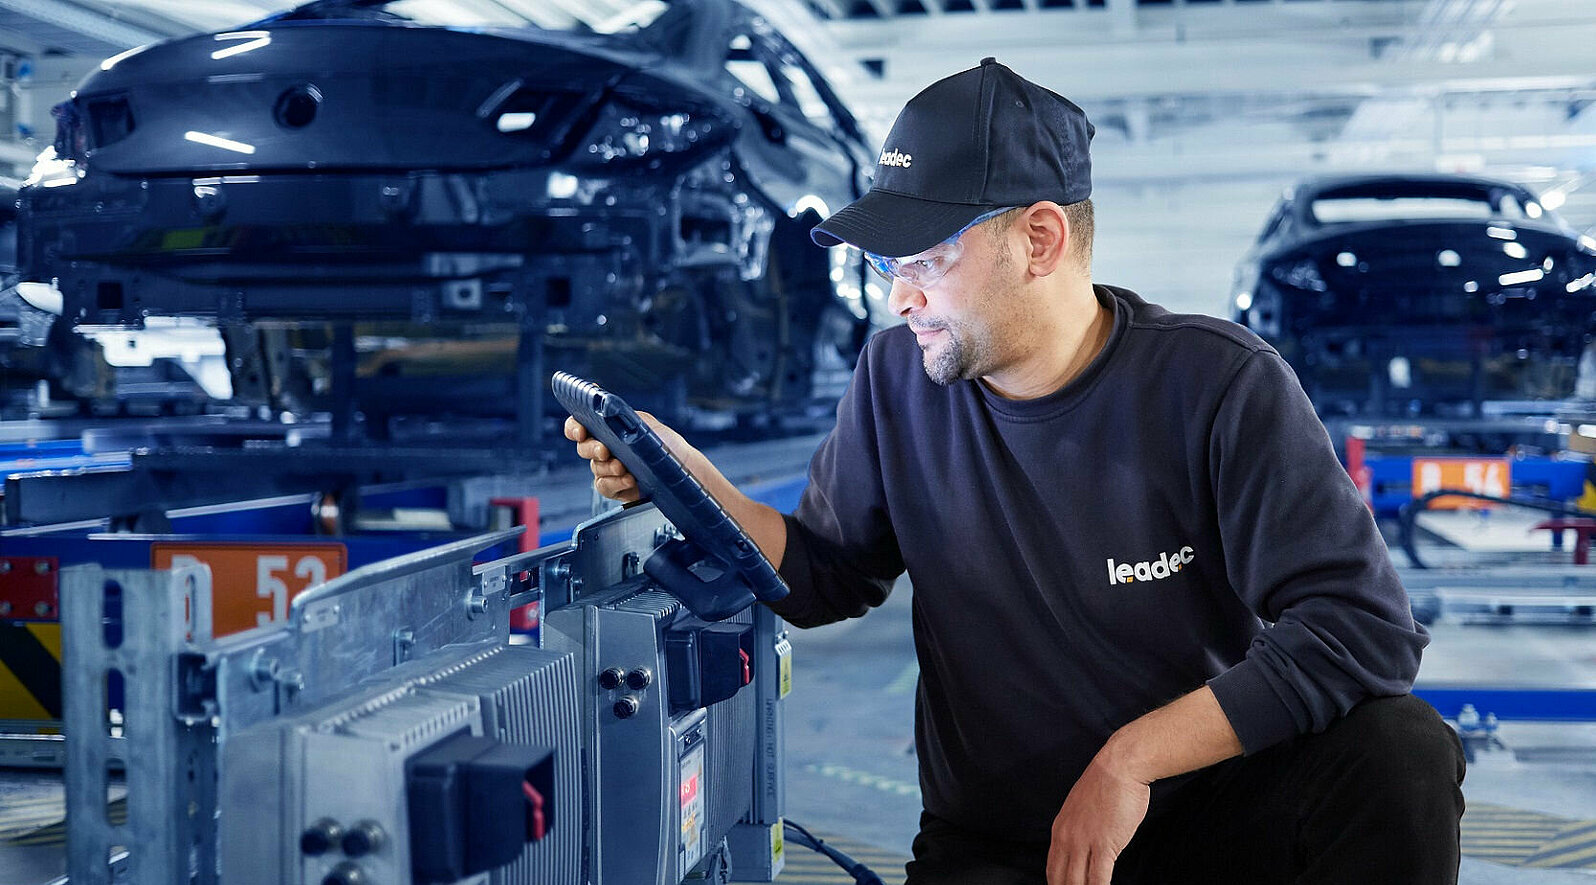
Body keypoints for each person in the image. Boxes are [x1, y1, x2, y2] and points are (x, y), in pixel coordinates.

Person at [566, 57, 1465, 885]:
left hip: (1200, 817)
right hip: (998, 846)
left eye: (927, 259)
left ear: (1038, 240)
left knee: (1400, 752)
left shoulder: (1218, 386)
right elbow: (824, 573)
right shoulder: (895, 382)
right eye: (890, 263)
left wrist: (1130, 760)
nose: (900, 295)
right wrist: (687, 478)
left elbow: (1363, 630)